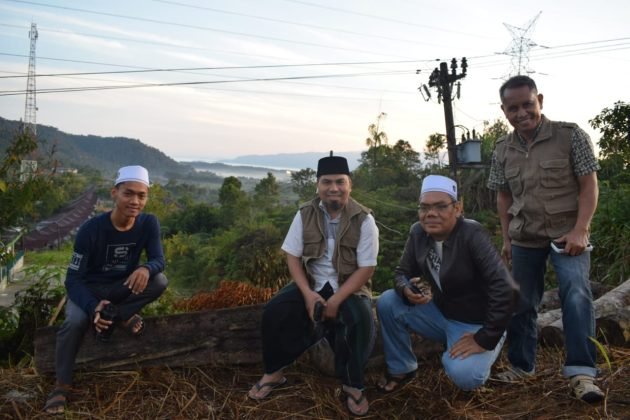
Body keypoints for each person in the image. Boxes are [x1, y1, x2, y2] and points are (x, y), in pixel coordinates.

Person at [487, 75, 604, 402]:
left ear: (539, 100)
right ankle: (522, 366)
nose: (521, 113)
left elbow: (589, 185)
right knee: (521, 302)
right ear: (504, 110)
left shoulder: (570, 135)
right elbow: (503, 197)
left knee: (575, 294)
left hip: (567, 235)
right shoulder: (502, 149)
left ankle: (582, 373)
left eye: (527, 105)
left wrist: (581, 229)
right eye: (513, 108)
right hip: (525, 236)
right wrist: (507, 239)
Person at [247, 152, 379, 417]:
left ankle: (353, 384)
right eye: (326, 182)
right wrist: (307, 294)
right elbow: (292, 256)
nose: (333, 188)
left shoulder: (364, 220)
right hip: (311, 281)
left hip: (347, 284)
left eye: (340, 182)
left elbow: (366, 268)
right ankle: (274, 372)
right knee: (276, 310)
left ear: (349, 184)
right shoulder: (305, 213)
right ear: (318, 185)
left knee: (361, 317)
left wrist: (336, 300)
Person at [43, 165, 168, 414]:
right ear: (114, 193)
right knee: (75, 322)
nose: (135, 201)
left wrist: (146, 268)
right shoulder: (91, 230)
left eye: (141, 195)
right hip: (89, 290)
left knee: (159, 280)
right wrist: (92, 306)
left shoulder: (148, 223)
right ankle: (62, 385)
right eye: (128, 193)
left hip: (121, 287)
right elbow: (73, 279)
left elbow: (158, 260)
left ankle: (117, 315)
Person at [376, 175, 518, 392]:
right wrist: (405, 289)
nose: (431, 213)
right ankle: (401, 368)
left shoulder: (472, 234)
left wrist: (485, 337)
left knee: (466, 376)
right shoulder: (418, 232)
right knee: (388, 301)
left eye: (441, 206)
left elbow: (506, 287)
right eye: (424, 207)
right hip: (441, 314)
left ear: (457, 208)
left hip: (475, 323)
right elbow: (401, 273)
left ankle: (492, 345)